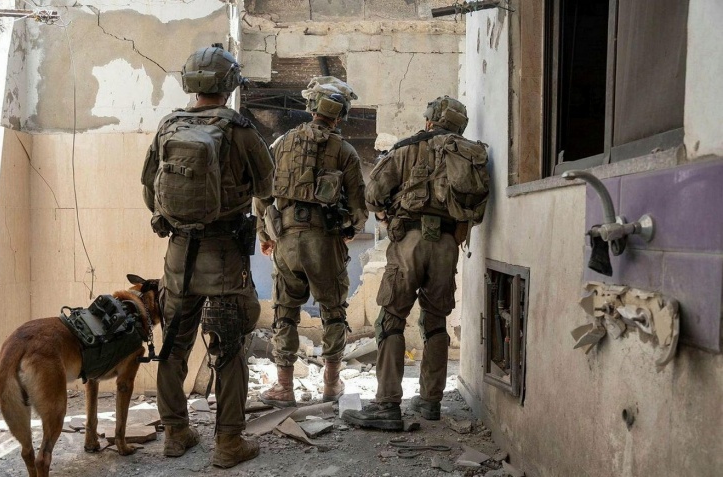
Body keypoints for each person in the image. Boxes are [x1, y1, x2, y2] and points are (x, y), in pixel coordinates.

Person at [140, 45, 273, 467]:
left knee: (173, 345)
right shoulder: (240, 130)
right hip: (225, 256)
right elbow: (267, 187)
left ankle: (175, 433)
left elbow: (149, 190)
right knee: (228, 347)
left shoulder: (168, 126)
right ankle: (229, 442)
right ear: (229, 83)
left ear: (190, 83)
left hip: (178, 255)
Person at [342, 96, 488, 429]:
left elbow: (373, 196)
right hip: (448, 244)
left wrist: (386, 213)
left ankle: (387, 405)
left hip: (409, 240)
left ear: (429, 121)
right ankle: (430, 402)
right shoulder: (470, 155)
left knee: (391, 320)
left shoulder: (407, 149)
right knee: (436, 322)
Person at [254, 76, 368, 407]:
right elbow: (358, 207)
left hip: (286, 240)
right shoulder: (345, 151)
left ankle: (284, 387)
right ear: (341, 115)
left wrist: (265, 236)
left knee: (285, 312)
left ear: (311, 107)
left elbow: (262, 195)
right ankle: (331, 385)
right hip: (325, 242)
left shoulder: (281, 143)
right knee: (333, 311)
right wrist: (349, 230)